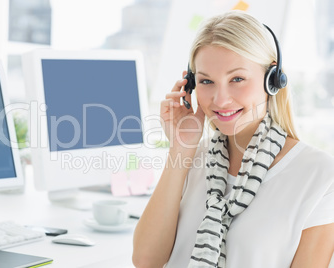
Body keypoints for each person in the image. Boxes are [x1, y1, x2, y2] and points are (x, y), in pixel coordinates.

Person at [132, 10, 334, 268]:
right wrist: (181, 149)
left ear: (271, 80)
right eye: (206, 81)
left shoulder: (320, 175)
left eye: (237, 78)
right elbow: (146, 261)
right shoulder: (192, 158)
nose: (220, 99)